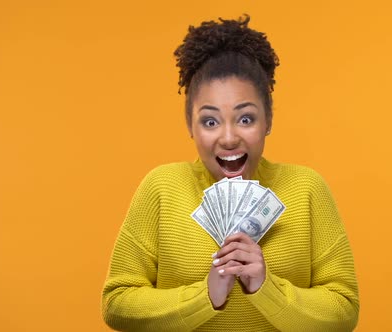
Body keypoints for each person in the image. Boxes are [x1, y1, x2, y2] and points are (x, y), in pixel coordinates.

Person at [102, 15, 359, 331]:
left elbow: (344, 311)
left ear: (268, 121)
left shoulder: (306, 188)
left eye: (246, 119)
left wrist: (265, 288)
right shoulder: (161, 187)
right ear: (190, 127)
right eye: (210, 121)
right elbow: (117, 304)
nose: (227, 138)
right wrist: (205, 296)